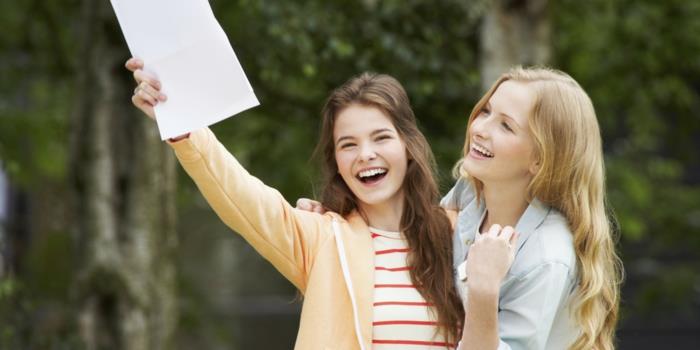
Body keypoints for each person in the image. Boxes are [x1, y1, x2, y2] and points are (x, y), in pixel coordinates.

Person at [126, 58, 517, 349]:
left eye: (380, 138)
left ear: (408, 146)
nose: (365, 154)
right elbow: (238, 194)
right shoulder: (320, 238)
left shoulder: (462, 233)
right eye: (348, 144)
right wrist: (181, 123)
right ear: (338, 163)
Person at [299, 66, 623, 350]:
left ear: (540, 158)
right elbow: (413, 232)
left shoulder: (546, 258)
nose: (480, 128)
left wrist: (484, 291)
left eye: (506, 126)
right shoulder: (471, 193)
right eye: (486, 111)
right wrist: (332, 218)